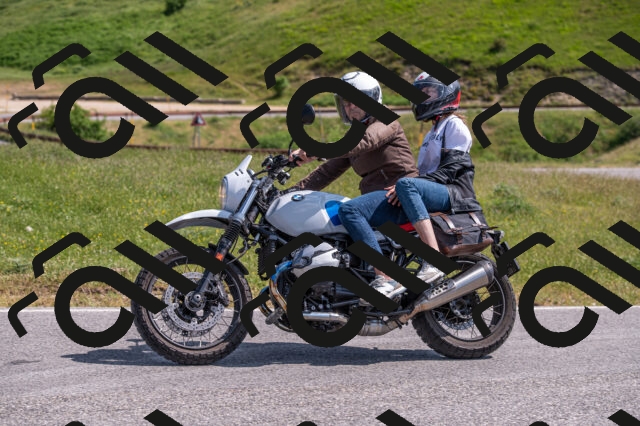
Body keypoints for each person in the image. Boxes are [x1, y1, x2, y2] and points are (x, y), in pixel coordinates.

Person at [337, 71, 483, 297]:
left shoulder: (454, 125)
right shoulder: (433, 131)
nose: (422, 99)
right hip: (433, 189)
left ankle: (431, 261)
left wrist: (409, 186)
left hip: (455, 192)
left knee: (405, 184)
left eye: (428, 93)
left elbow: (453, 169)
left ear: (446, 94)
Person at [289, 71, 418, 296]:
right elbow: (327, 171)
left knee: (349, 210)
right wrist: (292, 192)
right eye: (345, 103)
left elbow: (366, 141)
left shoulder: (386, 121)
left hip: (400, 196)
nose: (349, 108)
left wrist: (315, 149)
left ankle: (385, 277)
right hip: (379, 200)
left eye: (355, 102)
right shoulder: (355, 134)